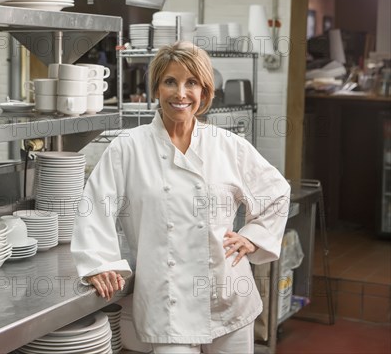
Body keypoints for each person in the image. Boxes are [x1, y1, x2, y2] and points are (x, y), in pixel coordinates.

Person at [70, 41, 290, 353]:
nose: (181, 93)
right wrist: (100, 263)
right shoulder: (128, 147)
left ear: (205, 92)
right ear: (156, 88)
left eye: (192, 83)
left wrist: (253, 236)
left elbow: (276, 192)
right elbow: (94, 206)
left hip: (227, 295)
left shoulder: (227, 145)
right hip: (168, 304)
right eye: (170, 81)